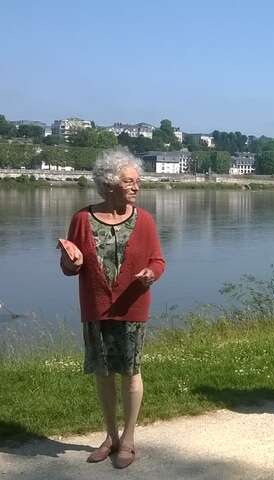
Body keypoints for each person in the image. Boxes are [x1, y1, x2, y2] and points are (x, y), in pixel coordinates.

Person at [59, 147, 165, 468]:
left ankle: (129, 439)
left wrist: (150, 274)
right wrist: (70, 260)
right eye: (130, 181)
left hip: (132, 307)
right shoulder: (81, 219)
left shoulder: (144, 220)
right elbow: (69, 268)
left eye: (138, 181)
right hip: (96, 308)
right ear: (109, 184)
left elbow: (158, 261)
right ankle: (111, 436)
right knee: (104, 374)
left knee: (131, 373)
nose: (137, 187)